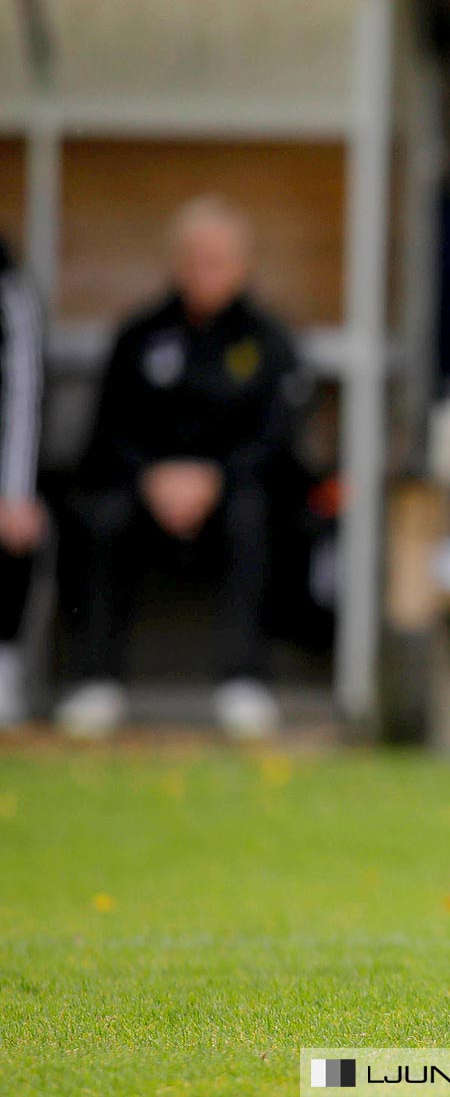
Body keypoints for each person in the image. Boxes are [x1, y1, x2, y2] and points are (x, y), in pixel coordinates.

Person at [58, 196, 307, 740]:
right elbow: (109, 430)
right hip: (145, 492)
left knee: (254, 516)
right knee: (102, 517)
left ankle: (244, 682)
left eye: (219, 259)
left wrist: (215, 477)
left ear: (243, 265)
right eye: (195, 258)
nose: (206, 272)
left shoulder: (268, 340)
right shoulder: (140, 334)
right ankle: (94, 682)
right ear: (175, 262)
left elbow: (277, 437)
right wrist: (153, 477)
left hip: (232, 494)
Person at [0, 236, 45, 729]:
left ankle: (3, 665)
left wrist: (14, 492)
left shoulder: (8, 284)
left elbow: (23, 393)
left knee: (18, 520)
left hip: (3, 472)